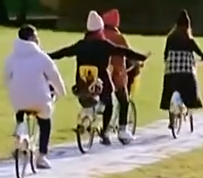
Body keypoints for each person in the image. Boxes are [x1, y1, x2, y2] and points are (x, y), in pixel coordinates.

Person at [49, 11, 149, 145]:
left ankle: (89, 116)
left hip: (82, 83)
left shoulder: (81, 45)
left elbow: (63, 52)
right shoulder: (104, 45)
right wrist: (141, 57)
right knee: (109, 105)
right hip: (101, 83)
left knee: (88, 98)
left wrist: (47, 55)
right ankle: (104, 132)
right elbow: (123, 51)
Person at [3, 25, 65, 169]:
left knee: (20, 111)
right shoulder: (42, 57)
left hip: (18, 98)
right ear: (31, 38)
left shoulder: (11, 58)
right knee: (45, 121)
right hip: (39, 99)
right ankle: (42, 156)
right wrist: (61, 92)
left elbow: (5, 79)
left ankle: (20, 134)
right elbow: (55, 77)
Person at [100, 8, 140, 144]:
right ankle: (122, 130)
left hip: (100, 73)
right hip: (116, 73)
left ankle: (104, 130)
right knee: (124, 100)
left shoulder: (99, 34)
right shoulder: (119, 38)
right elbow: (129, 54)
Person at [160, 9, 203, 115]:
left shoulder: (170, 38)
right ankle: (190, 105)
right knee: (191, 91)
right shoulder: (189, 39)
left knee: (168, 90)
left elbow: (165, 54)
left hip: (171, 74)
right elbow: (200, 53)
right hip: (186, 74)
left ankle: (170, 114)